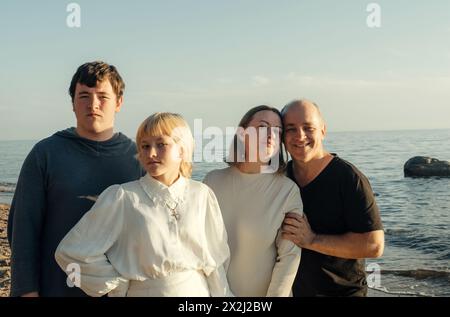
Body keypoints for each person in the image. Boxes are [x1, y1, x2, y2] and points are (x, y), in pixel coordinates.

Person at [55, 113, 233, 297]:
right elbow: (70, 252)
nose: (151, 153)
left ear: (182, 150)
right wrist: (114, 283)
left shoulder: (202, 194)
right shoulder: (123, 197)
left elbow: (215, 261)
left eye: (161, 144)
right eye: (145, 146)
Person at [7, 61, 144, 297]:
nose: (93, 104)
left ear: (119, 102)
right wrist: (26, 290)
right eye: (84, 96)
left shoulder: (138, 159)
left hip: (121, 290)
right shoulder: (46, 154)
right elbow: (23, 229)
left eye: (103, 96)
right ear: (72, 103)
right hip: (56, 287)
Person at [280, 99, 384, 297]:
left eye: (308, 127)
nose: (300, 136)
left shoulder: (349, 178)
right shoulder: (282, 178)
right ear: (282, 136)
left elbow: (374, 245)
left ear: (323, 130)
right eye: (291, 128)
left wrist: (311, 240)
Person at [203, 105, 302, 297]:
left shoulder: (287, 191)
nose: (271, 135)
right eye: (263, 127)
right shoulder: (212, 182)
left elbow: (289, 257)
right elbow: (203, 248)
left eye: (277, 130)